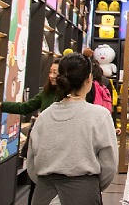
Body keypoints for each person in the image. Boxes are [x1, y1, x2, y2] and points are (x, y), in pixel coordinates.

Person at [28, 53, 118, 205]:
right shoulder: (100, 115)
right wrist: (90, 186)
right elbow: (109, 165)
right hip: (83, 194)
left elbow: (32, 163)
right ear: (89, 79)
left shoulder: (44, 116)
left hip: (44, 194)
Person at [0, 58, 61, 205]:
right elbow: (25, 107)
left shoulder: (67, 96)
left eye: (56, 73)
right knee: (36, 188)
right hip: (42, 148)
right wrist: (0, 105)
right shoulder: (46, 93)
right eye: (50, 72)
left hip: (58, 150)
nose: (52, 76)